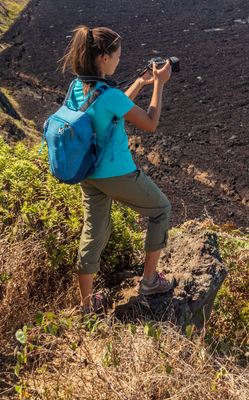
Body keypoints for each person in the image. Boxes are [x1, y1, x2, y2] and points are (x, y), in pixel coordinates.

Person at [60, 25, 175, 312]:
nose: (119, 59)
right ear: (103, 58)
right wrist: (159, 83)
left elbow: (108, 107)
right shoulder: (109, 95)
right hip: (116, 172)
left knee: (93, 231)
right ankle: (149, 280)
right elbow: (149, 122)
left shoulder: (77, 86)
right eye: (117, 55)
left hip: (87, 173)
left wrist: (139, 83)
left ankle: (87, 305)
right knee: (161, 210)